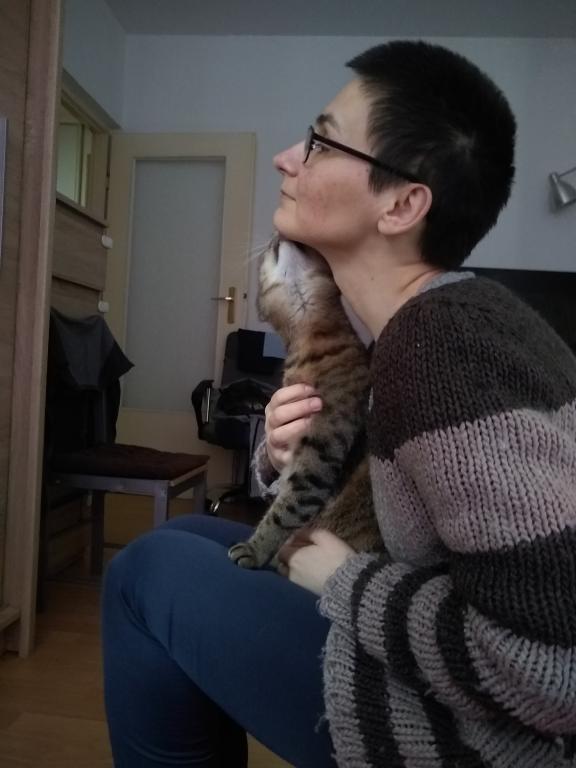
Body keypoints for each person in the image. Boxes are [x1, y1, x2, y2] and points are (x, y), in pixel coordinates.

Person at [102, 40, 576, 767]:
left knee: (147, 572)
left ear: (402, 203)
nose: (285, 158)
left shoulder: (445, 346)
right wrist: (280, 457)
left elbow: (552, 673)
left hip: (482, 743)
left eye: (321, 142)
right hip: (441, 653)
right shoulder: (413, 328)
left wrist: (345, 582)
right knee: (187, 539)